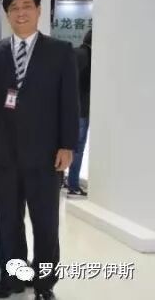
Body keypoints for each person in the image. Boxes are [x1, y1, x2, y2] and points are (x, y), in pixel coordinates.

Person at [0, 0, 79, 300]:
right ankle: (12, 279)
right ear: (7, 14)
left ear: (38, 10)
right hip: (4, 153)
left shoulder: (60, 51)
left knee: (45, 223)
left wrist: (68, 144)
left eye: (27, 6)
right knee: (8, 221)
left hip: (46, 154)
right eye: (14, 8)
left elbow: (70, 102)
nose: (20, 13)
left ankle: (44, 284)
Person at [67, 28, 91, 197]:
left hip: (69, 108)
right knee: (78, 148)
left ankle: (65, 180)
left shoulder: (73, 53)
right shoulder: (89, 57)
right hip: (82, 109)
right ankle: (73, 184)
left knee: (67, 145)